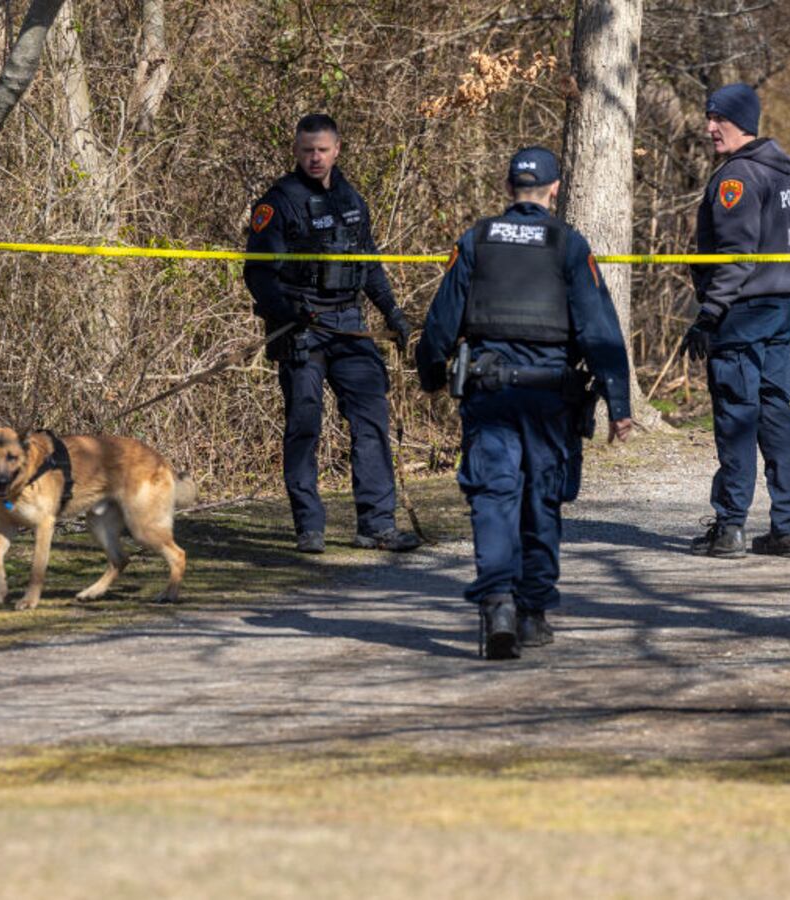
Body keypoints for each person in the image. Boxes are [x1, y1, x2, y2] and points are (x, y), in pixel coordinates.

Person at [416, 146, 634, 660]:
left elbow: (441, 323)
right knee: (541, 500)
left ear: (507, 185)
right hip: (549, 401)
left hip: (490, 396)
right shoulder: (568, 245)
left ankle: (498, 605)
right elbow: (600, 332)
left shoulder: (476, 241)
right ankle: (533, 613)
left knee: (494, 498)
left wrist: (429, 375)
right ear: (555, 189)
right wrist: (618, 404)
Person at [244, 114, 420, 555]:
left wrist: (392, 312)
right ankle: (309, 527)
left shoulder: (351, 199)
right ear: (296, 151)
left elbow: (370, 265)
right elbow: (258, 274)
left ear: (337, 148)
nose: (315, 158)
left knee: (371, 421)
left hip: (349, 325)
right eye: (307, 150)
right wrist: (287, 312)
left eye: (322, 149)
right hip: (299, 326)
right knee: (304, 424)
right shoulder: (278, 202)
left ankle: (377, 526)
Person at [683, 83, 790, 560]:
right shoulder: (783, 175)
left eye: (720, 119)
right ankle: (788, 529)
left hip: (743, 315)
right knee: (777, 417)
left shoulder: (738, 177)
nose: (710, 127)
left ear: (744, 122)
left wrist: (709, 314)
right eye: (708, 117)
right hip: (779, 312)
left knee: (738, 419)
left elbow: (736, 256)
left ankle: (731, 527)